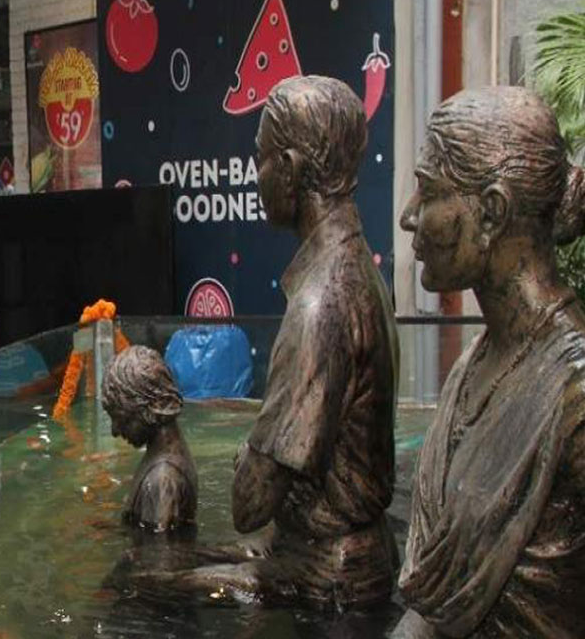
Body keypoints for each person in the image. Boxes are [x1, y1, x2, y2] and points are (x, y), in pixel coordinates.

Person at [307, 87, 585, 639]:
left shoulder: (575, 390)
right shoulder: (470, 372)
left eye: (428, 194)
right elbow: (428, 601)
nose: (407, 218)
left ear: (490, 213)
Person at [193, 77, 399, 609]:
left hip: (327, 577)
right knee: (176, 562)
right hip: (336, 552)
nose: (256, 175)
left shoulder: (320, 304)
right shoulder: (357, 270)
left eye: (260, 159)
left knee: (146, 583)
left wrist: (244, 451)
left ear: (287, 168)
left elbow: (250, 501)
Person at [100, 346, 197, 534]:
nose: (115, 431)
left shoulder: (162, 479)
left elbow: (159, 556)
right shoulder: (169, 456)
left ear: (153, 409)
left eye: (122, 418)